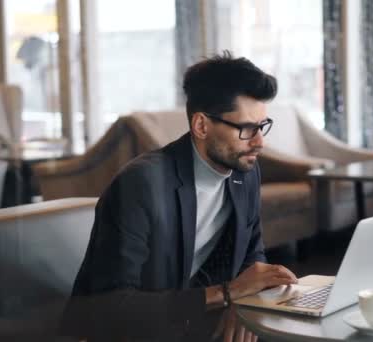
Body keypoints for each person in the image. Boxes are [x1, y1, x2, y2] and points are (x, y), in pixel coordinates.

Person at [67, 51, 298, 341]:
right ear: (201, 125)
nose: (260, 142)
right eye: (246, 128)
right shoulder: (141, 184)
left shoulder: (245, 172)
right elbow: (110, 307)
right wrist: (227, 293)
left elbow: (251, 253)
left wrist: (241, 305)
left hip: (195, 323)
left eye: (262, 126)